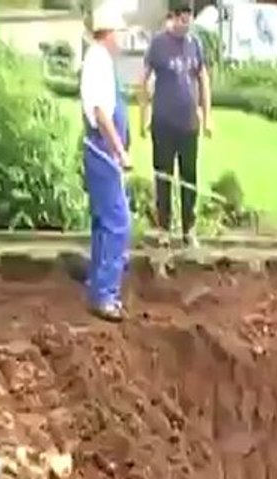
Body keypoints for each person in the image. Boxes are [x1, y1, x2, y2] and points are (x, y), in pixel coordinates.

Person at [139, 0, 212, 248]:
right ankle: (163, 229)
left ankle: (188, 229)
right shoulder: (159, 43)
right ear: (173, 17)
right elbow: (143, 80)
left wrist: (207, 116)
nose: (187, 22)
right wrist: (143, 115)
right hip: (163, 123)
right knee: (163, 177)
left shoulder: (194, 44)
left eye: (190, 18)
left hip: (189, 125)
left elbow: (203, 79)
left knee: (189, 178)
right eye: (183, 18)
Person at [81, 4, 131, 322]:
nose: (123, 39)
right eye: (122, 33)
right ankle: (105, 294)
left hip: (99, 149)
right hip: (102, 149)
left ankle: (96, 282)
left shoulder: (97, 59)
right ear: (110, 33)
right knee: (118, 222)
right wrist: (119, 151)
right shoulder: (99, 60)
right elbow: (101, 112)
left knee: (103, 221)